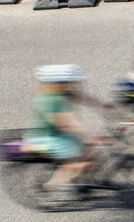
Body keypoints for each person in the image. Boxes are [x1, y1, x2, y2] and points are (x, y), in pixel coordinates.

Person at [25, 64, 115, 196]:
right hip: (44, 137)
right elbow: (66, 123)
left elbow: (82, 97)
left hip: (56, 134)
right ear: (59, 82)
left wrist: (104, 107)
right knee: (86, 156)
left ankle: (80, 182)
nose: (74, 84)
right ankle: (55, 183)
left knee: (89, 149)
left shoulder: (57, 91)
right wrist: (92, 136)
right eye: (70, 81)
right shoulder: (49, 99)